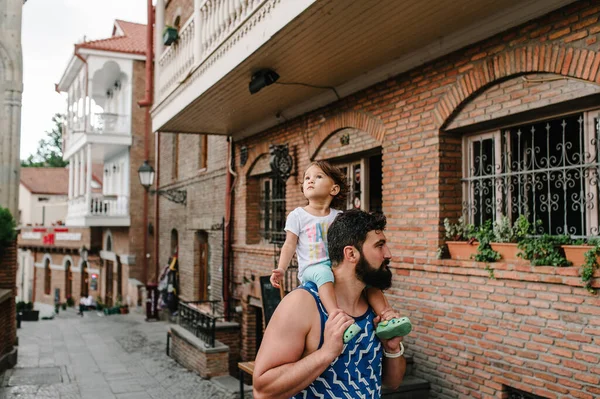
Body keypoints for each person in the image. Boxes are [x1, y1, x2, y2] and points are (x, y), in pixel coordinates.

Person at [254, 209, 407, 398]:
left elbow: (393, 383)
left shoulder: (373, 306)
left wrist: (392, 349)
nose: (388, 254)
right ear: (351, 253)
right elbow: (262, 390)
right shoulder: (302, 303)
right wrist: (326, 352)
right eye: (379, 245)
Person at [270, 161, 411, 342]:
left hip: (336, 265)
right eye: (307, 178)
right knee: (323, 274)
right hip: (313, 269)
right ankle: (339, 318)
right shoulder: (298, 215)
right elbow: (289, 245)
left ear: (334, 189)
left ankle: (386, 317)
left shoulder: (338, 216)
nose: (310, 181)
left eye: (318, 177)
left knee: (367, 279)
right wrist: (281, 269)